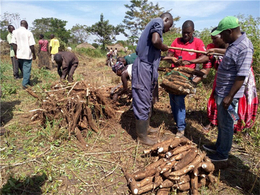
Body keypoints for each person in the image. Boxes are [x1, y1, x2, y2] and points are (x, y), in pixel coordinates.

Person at [185, 27, 258, 133]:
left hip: (240, 81)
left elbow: (238, 64)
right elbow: (207, 58)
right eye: (212, 39)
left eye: (215, 38)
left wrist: (216, 50)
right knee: (218, 100)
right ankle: (215, 122)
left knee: (241, 102)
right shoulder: (213, 47)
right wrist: (190, 62)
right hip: (222, 80)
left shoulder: (236, 46)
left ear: (224, 35)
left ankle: (240, 126)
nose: (213, 41)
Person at [202, 16, 254, 162]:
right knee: (222, 121)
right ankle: (219, 146)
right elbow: (230, 57)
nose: (221, 37)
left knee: (227, 125)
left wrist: (229, 96)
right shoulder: (234, 43)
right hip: (222, 90)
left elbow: (241, 75)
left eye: (222, 34)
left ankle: (222, 155)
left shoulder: (245, 47)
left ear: (230, 32)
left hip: (229, 94)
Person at [131, 12, 174, 145]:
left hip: (148, 67)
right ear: (166, 19)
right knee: (143, 98)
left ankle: (146, 127)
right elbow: (156, 41)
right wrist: (164, 47)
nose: (167, 31)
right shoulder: (158, 22)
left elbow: (153, 52)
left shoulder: (155, 25)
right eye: (168, 27)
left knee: (148, 98)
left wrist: (168, 57)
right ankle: (142, 136)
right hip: (144, 67)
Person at [167, 20, 206, 137]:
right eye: (183, 32)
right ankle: (177, 123)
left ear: (193, 31)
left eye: (188, 33)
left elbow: (205, 58)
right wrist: (172, 59)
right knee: (172, 99)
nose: (185, 35)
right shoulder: (176, 41)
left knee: (179, 100)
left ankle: (181, 128)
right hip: (174, 75)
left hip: (186, 76)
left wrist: (190, 61)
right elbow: (169, 55)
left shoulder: (198, 43)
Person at [11, 20, 36, 89]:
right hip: (27, 54)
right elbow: (31, 45)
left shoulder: (15, 32)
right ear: (26, 25)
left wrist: (15, 53)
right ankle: (25, 84)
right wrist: (34, 54)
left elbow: (14, 44)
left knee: (23, 68)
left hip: (19, 54)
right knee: (27, 69)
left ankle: (27, 82)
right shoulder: (28, 32)